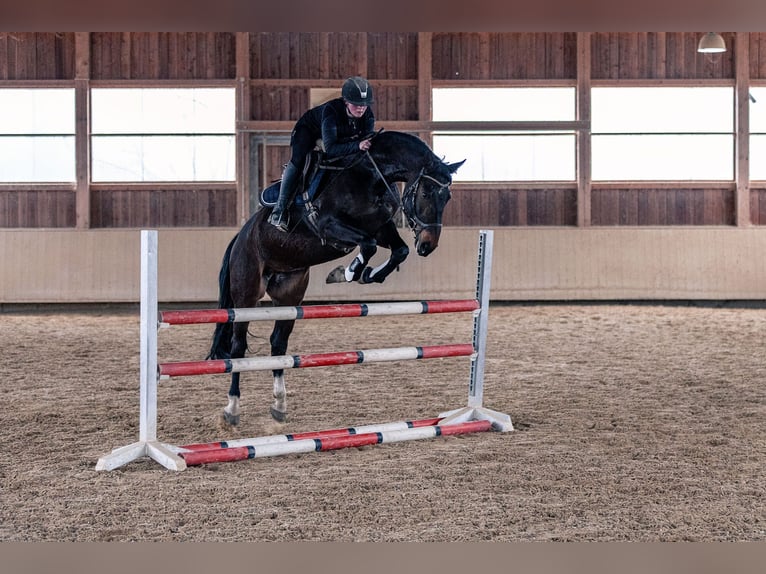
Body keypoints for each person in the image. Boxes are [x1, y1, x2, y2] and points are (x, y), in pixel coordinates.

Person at [268, 76, 376, 231]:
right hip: (309, 131)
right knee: (299, 160)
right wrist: (358, 145)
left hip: (338, 137)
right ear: (345, 101)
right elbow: (331, 149)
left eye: (364, 105)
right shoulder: (331, 111)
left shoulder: (368, 114)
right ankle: (279, 210)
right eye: (356, 104)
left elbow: (367, 141)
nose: (361, 108)